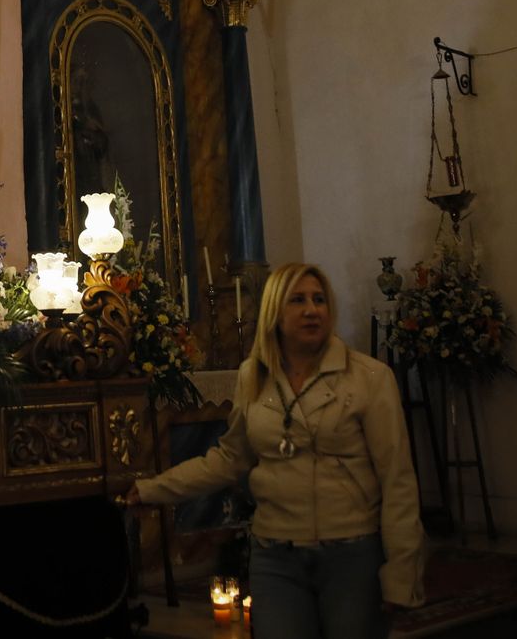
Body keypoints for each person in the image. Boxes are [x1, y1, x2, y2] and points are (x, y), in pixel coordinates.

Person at [128, 262, 424, 638]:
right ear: (274, 312)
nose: (312, 309)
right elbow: (228, 459)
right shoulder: (253, 376)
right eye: (297, 300)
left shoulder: (368, 378)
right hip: (276, 557)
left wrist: (402, 571)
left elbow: (398, 480)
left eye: (319, 300)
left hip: (350, 553)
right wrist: (154, 489)